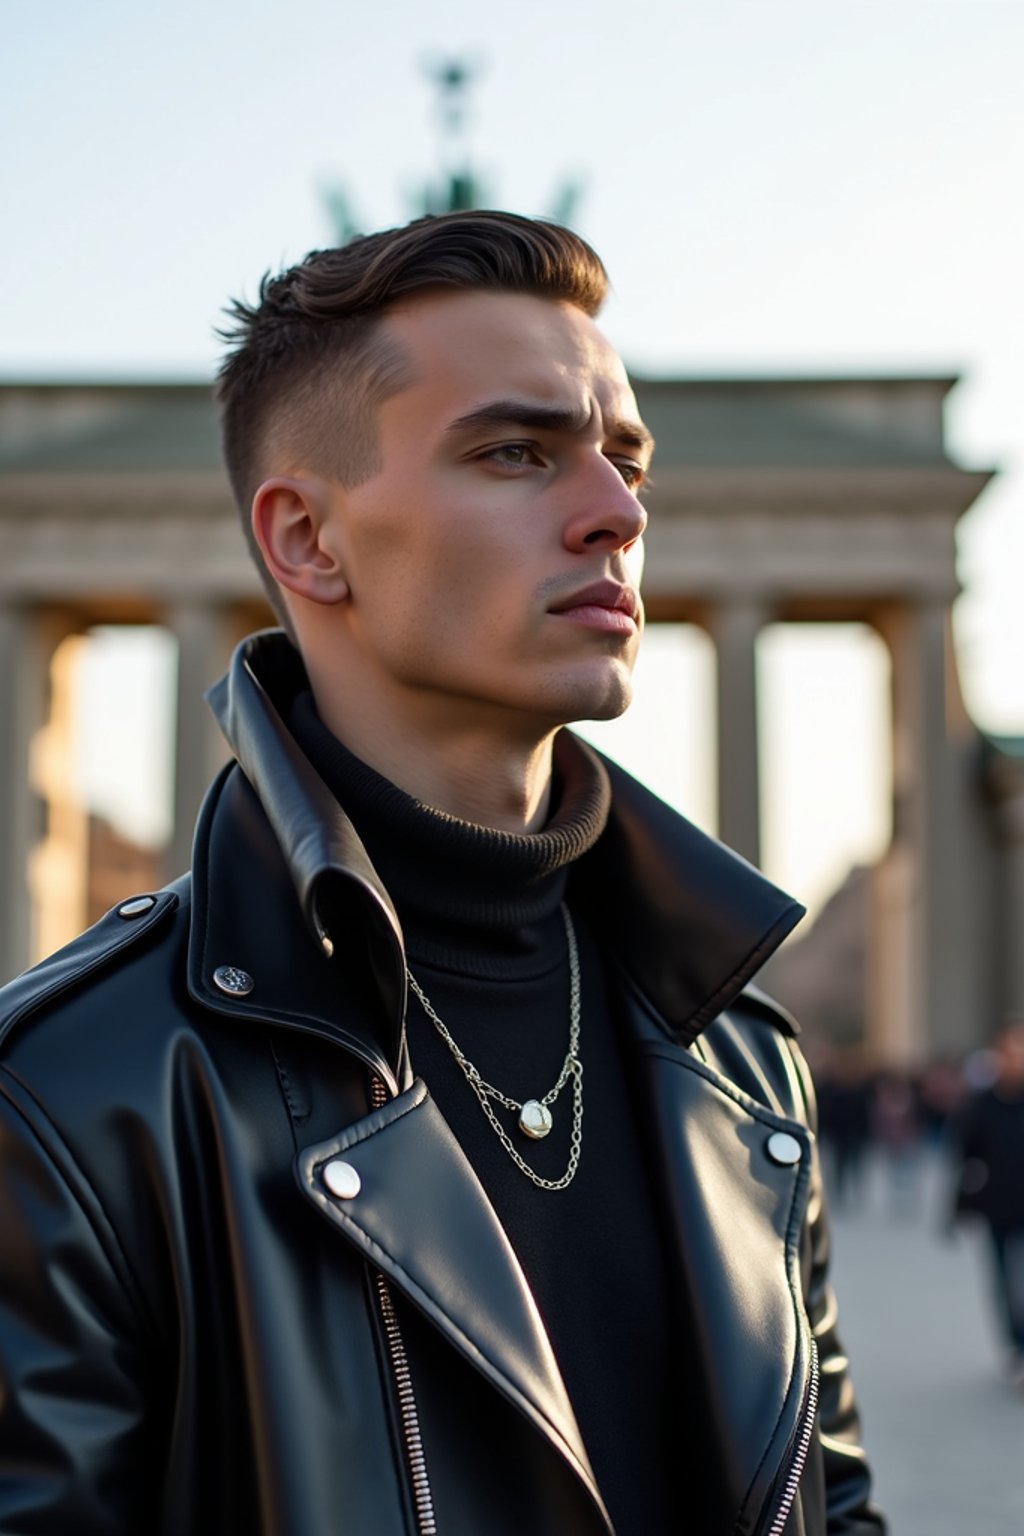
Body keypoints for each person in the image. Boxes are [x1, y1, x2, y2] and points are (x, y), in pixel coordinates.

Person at [0, 210, 886, 1534]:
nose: (618, 514)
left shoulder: (743, 1061)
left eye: (628, 461)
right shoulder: (75, 1095)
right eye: (519, 451)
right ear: (308, 539)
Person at [948, 1020, 1024, 1386]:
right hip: (999, 1209)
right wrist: (954, 1210)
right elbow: (965, 1158)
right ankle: (1017, 1349)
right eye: (1008, 1051)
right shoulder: (982, 1103)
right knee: (1006, 1283)